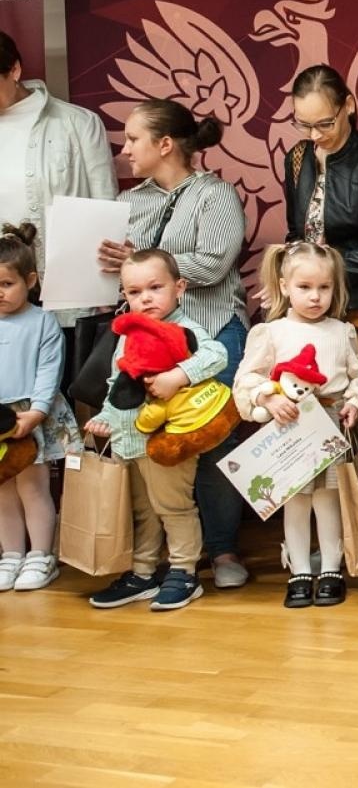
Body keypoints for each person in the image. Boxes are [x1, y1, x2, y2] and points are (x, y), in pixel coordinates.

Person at [95, 98, 250, 590]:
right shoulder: (127, 203)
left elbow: (214, 264)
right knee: (148, 446)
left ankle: (221, 549)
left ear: (165, 145)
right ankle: (162, 560)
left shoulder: (216, 194)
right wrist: (113, 270)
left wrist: (149, 265)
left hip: (210, 331)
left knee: (209, 441)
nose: (125, 150)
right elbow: (123, 283)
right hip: (145, 346)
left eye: (133, 139)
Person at [281, 65, 358, 523]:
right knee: (313, 412)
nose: (315, 135)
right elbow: (299, 230)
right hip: (314, 309)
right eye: (304, 124)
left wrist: (328, 274)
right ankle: (330, 523)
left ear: (348, 106)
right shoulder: (297, 157)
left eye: (325, 123)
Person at [234, 243, 358, 609]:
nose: (315, 297)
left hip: (328, 427)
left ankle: (331, 568)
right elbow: (245, 382)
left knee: (328, 501)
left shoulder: (341, 331)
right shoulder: (271, 332)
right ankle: (298, 571)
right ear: (284, 286)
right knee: (295, 503)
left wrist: (356, 405)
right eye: (305, 288)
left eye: (324, 288)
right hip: (288, 427)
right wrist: (268, 398)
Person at [84, 249, 226, 612]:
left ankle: (183, 570)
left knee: (173, 506)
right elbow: (117, 383)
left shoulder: (184, 329)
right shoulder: (127, 334)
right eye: (134, 292)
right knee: (140, 510)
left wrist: (177, 376)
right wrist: (105, 418)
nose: (145, 298)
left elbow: (216, 355)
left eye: (154, 287)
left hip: (165, 441)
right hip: (128, 440)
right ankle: (143, 571)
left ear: (179, 288)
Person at [0, 29, 118, 334]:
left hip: (68, 292)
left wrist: (102, 290)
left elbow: (104, 207)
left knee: (69, 376)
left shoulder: (78, 123)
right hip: (4, 296)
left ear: (14, 69)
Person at [0, 223, 81, 592]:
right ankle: (11, 554)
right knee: (2, 489)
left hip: (30, 414)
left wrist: (37, 410)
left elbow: (50, 370)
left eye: (6, 284)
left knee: (33, 488)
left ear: (30, 280)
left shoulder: (42, 322)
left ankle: (41, 556)